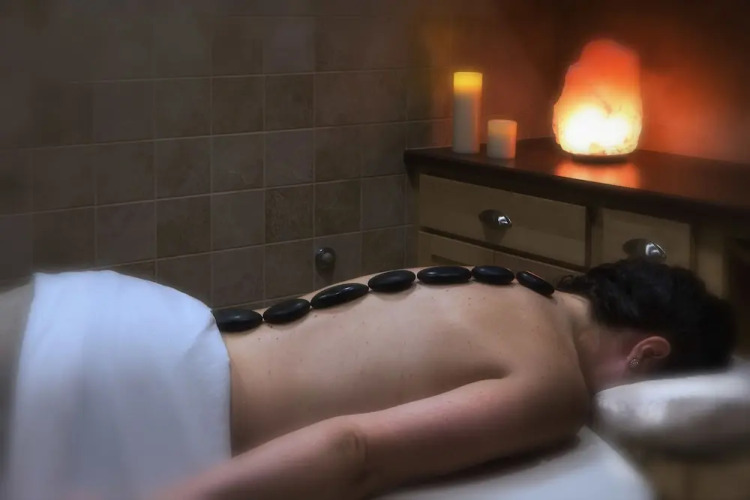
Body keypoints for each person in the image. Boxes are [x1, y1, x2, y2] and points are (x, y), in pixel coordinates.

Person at [1, 259, 736, 500]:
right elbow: (355, 451)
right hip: (124, 402)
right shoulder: (557, 387)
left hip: (114, 315)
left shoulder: (505, 283)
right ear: (647, 356)